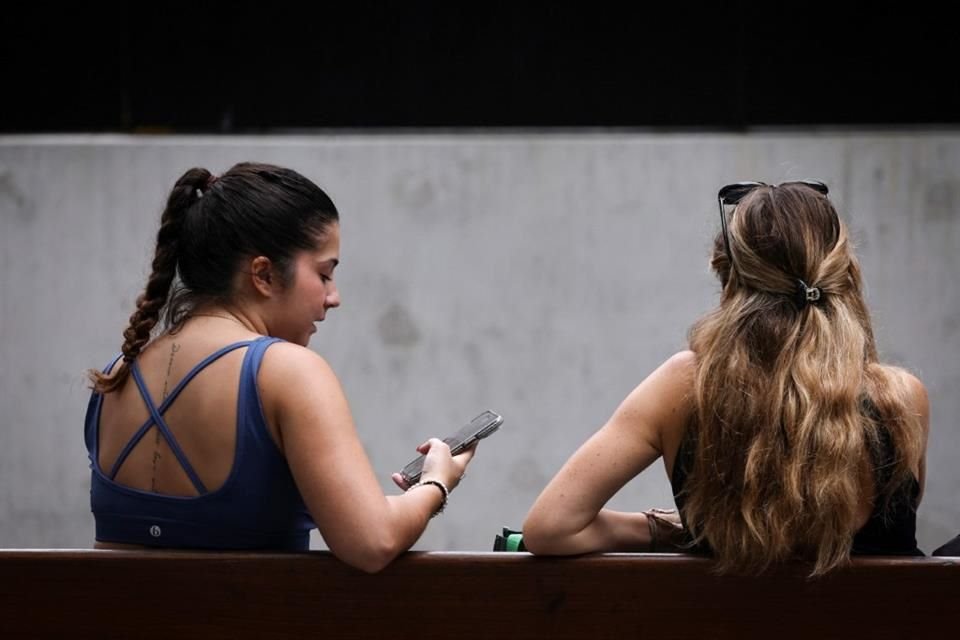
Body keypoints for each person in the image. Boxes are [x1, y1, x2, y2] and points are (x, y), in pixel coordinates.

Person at [522, 181, 929, 575]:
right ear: (845, 275)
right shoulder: (901, 398)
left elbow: (552, 528)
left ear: (728, 279)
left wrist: (659, 530)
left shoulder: (684, 386)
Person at [84, 162, 475, 573]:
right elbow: (372, 541)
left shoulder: (117, 376)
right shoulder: (286, 372)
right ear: (264, 274)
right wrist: (437, 482)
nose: (334, 296)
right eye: (324, 274)